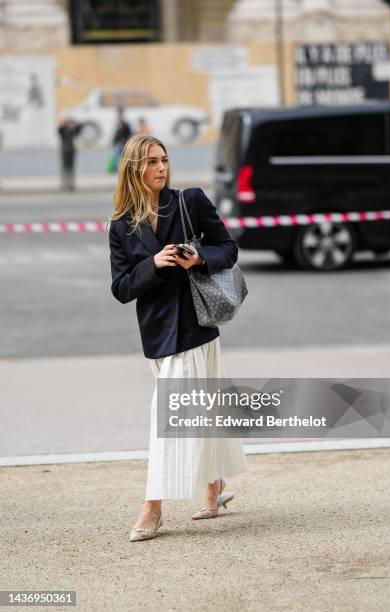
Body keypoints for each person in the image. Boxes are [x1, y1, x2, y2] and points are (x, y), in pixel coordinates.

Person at [108, 134, 249, 542]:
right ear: (134, 167)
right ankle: (215, 484)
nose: (161, 168)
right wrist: (153, 263)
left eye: (164, 160)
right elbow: (120, 287)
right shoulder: (121, 224)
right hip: (155, 332)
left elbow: (228, 248)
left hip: (195, 325)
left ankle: (152, 506)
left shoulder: (189, 202)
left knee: (166, 418)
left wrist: (200, 258)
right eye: (152, 162)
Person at [57, 117, 82, 191]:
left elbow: (79, 128)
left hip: (71, 151)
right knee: (65, 169)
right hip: (64, 151)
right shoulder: (63, 131)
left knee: (71, 169)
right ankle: (64, 184)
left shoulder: (71, 131)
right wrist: (64, 123)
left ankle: (71, 184)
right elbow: (59, 129)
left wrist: (74, 122)